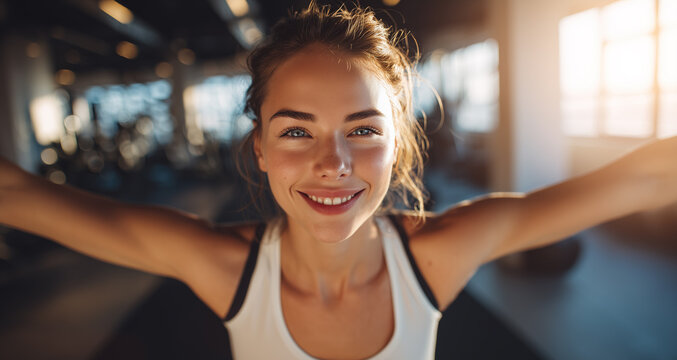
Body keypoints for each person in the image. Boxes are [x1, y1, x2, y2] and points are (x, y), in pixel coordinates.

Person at [1, 3, 676, 360]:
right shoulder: (222, 266)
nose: (334, 163)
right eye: (296, 131)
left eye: (363, 128)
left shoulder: (435, 253)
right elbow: (17, 194)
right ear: (259, 148)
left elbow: (647, 175)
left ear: (398, 144)